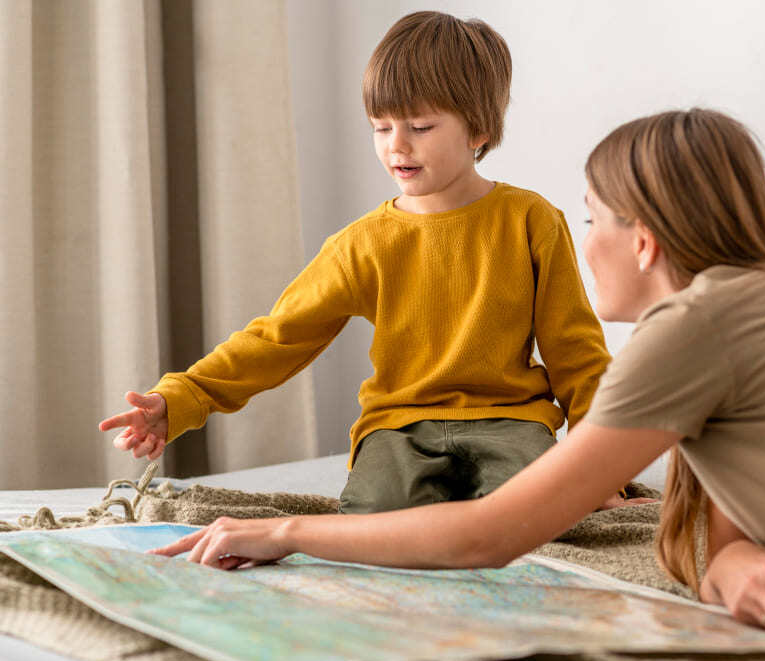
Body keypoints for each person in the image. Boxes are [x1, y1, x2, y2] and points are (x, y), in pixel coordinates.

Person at [152, 108, 765, 637]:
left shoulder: (690, 327)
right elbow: (759, 470)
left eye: (590, 217)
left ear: (644, 240)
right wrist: (730, 563)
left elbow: (490, 533)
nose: (579, 235)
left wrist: (287, 531)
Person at [98, 11, 618, 513]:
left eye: (421, 125)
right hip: (398, 426)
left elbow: (576, 351)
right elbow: (277, 338)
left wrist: (602, 467)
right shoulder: (362, 244)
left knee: (540, 517)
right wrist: (182, 397)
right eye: (381, 127)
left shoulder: (531, 220)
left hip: (513, 422)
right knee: (376, 521)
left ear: (479, 130)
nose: (397, 146)